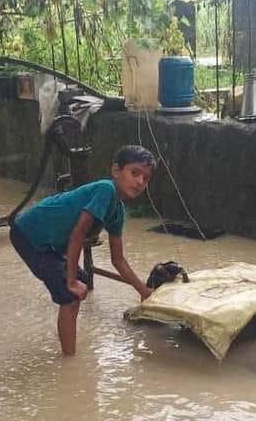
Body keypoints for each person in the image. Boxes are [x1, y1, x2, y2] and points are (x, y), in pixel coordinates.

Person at [10, 145, 156, 356]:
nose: (140, 182)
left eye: (146, 178)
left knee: (83, 284)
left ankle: (68, 339)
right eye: (134, 173)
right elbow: (77, 235)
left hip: (51, 243)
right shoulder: (106, 189)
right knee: (70, 294)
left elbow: (118, 260)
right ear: (116, 171)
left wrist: (144, 291)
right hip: (29, 234)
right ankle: (69, 362)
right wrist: (70, 281)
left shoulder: (118, 211)